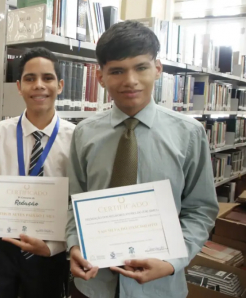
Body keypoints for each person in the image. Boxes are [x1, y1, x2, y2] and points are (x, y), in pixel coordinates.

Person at [65, 20, 219, 298]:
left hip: (160, 288)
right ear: (100, 77)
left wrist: (171, 262)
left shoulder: (190, 134)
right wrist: (74, 245)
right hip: (93, 284)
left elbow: (200, 210)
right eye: (117, 71)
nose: (130, 80)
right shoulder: (84, 134)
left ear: (157, 69)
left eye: (141, 67)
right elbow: (73, 202)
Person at [0, 47, 73, 298]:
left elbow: (75, 203)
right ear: (18, 86)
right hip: (2, 246)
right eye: (29, 78)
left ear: (60, 85)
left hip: (50, 249)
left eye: (47, 78)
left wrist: (55, 248)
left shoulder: (76, 138)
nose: (39, 85)